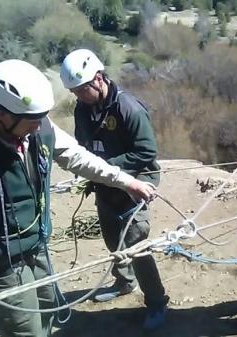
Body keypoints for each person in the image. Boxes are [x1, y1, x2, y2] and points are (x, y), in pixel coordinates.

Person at [0, 59, 157, 337]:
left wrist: (125, 181)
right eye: (32, 120)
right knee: (25, 329)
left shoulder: (38, 127)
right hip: (2, 262)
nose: (38, 125)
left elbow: (76, 156)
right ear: (2, 114)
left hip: (37, 248)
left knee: (50, 313)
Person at [60, 49, 168, 330]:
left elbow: (146, 152)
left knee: (136, 245)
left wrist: (106, 166)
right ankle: (124, 282)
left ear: (98, 79)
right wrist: (90, 171)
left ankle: (157, 302)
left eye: (82, 90)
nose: (78, 96)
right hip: (105, 185)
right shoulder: (83, 109)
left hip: (136, 185)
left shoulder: (128, 108)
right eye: (74, 92)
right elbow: (83, 145)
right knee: (112, 239)